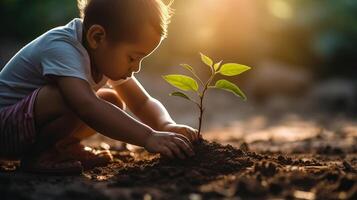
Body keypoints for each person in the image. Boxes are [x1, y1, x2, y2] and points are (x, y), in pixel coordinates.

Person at [0, 0, 200, 174]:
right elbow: (85, 106)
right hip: (6, 129)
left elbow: (142, 102)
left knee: (111, 101)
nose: (136, 68)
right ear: (97, 37)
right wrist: (148, 137)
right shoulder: (62, 46)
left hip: (26, 127)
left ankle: (63, 147)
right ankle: (40, 155)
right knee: (73, 98)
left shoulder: (103, 52)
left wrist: (165, 126)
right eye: (132, 57)